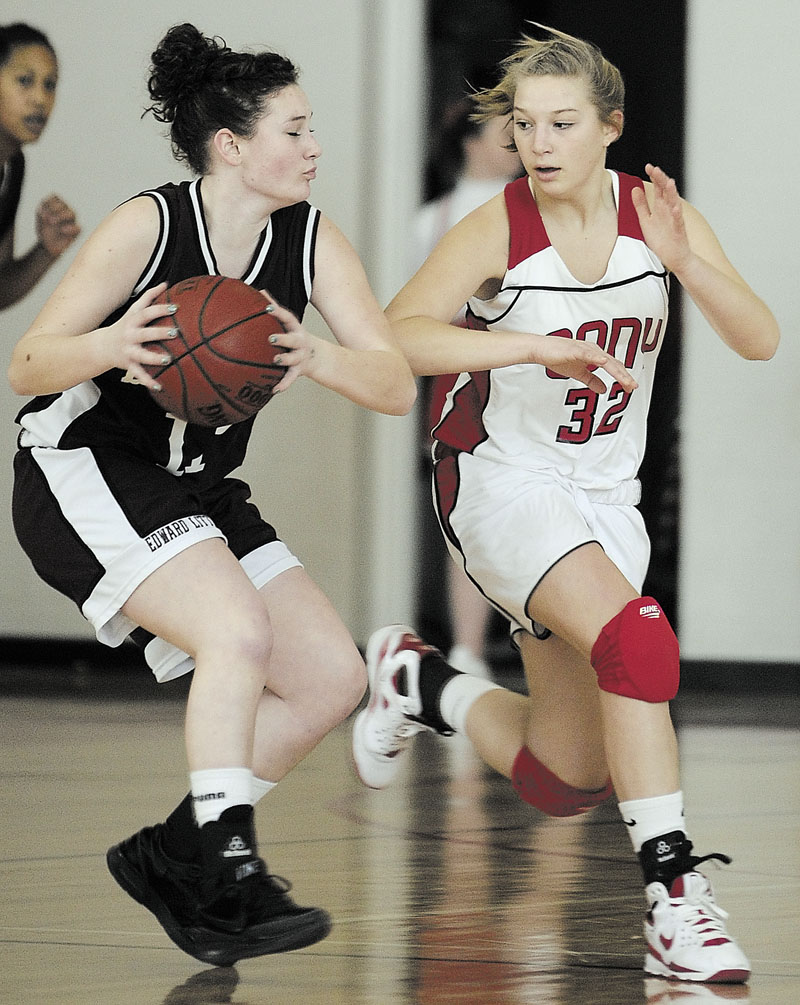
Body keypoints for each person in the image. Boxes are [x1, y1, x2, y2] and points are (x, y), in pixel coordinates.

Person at [353, 24, 779, 986]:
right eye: (523, 123)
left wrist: (691, 261)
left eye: (561, 122)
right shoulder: (500, 224)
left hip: (600, 497)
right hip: (501, 479)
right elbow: (395, 338)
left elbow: (760, 337)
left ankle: (418, 684)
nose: (538, 142)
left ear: (609, 127)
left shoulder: (655, 215)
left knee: (565, 778)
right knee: (640, 640)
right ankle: (675, 900)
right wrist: (527, 348)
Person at [7, 23, 416, 967]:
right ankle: (227, 864)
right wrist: (113, 346)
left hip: (197, 482)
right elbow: (27, 363)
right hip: (86, 462)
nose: (315, 148)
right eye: (296, 129)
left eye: (314, 130)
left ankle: (176, 851)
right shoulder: (149, 226)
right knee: (237, 633)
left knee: (332, 677)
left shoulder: (309, 239)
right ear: (232, 146)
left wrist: (316, 353)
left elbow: (394, 383)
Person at [412, 103, 522, 678]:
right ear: (469, 143)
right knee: (468, 505)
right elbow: (418, 315)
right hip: (461, 372)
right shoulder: (433, 218)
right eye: (508, 133)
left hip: (534, 368)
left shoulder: (542, 205)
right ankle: (468, 648)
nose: (522, 143)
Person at [0, 23, 79, 308]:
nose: (40, 99)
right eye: (24, 80)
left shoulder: (12, 166)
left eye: (50, 85)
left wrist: (46, 250)